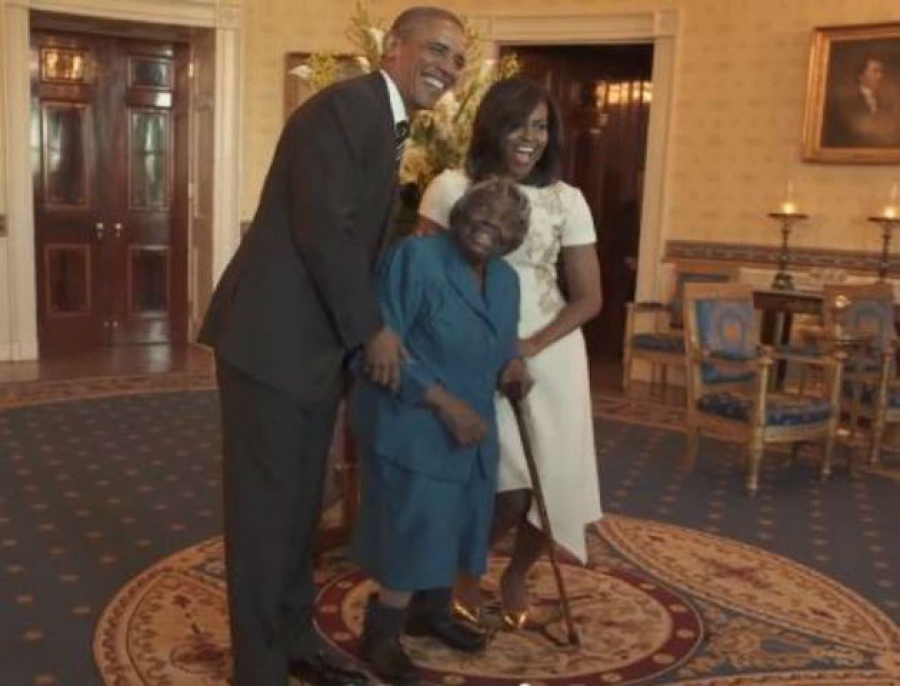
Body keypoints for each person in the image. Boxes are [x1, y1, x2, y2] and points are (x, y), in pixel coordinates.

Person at [197, 8, 467, 686]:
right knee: (265, 520)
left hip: (308, 351)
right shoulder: (347, 109)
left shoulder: (383, 118)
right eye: (437, 49)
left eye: (459, 59)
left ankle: (292, 643)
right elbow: (326, 231)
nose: (449, 67)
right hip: (272, 345)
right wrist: (371, 330)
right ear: (396, 48)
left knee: (295, 512)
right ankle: (257, 672)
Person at [414, 76, 604, 628]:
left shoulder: (567, 200)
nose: (530, 138)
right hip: (472, 353)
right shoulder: (449, 187)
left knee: (555, 478)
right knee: (499, 481)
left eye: (541, 126)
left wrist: (530, 344)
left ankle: (517, 574)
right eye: (518, 124)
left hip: (552, 351)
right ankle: (460, 577)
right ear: (492, 127)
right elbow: (422, 281)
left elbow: (590, 298)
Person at [350, 177, 532, 685]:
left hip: (473, 424)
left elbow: (498, 343)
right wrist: (445, 404)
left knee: (460, 520)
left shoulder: (505, 281)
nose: (489, 228)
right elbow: (382, 350)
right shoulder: (416, 258)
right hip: (412, 417)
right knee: (417, 526)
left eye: (505, 224)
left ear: (516, 238)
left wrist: (512, 365)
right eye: (481, 213)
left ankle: (431, 612)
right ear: (461, 212)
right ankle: (381, 634)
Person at [823, 55, 900, 148]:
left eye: (881, 71)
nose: (880, 76)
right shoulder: (846, 103)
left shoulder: (885, 104)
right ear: (861, 76)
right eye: (875, 71)